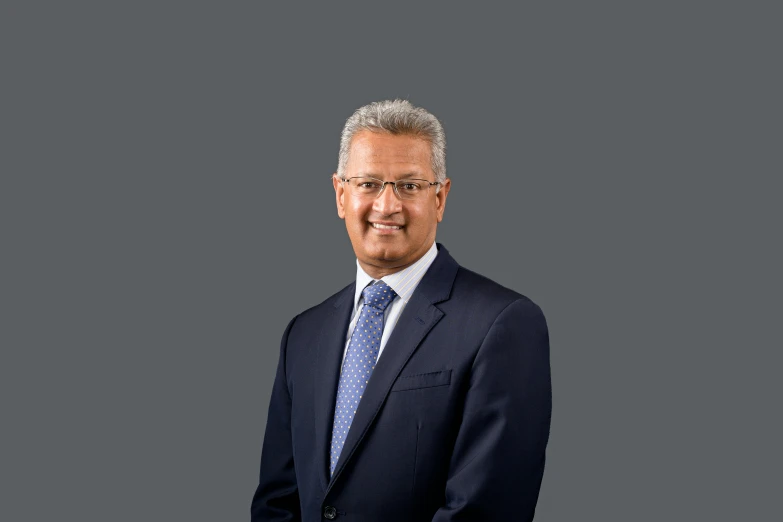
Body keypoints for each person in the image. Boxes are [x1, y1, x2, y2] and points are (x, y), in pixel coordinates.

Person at [251, 99, 552, 522]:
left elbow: (485, 511)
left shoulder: (503, 325)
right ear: (341, 195)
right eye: (368, 183)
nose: (387, 206)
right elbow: (276, 503)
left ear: (441, 198)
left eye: (409, 186)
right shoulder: (304, 334)